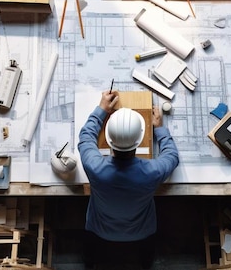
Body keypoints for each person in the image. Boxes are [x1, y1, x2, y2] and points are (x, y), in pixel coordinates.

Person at [77, 90, 180, 269]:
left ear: (110, 140)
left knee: (89, 246)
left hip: (99, 230)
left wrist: (101, 109)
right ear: (139, 141)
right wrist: (160, 129)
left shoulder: (95, 167)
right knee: (148, 249)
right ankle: (146, 263)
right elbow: (172, 156)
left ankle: (89, 262)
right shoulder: (152, 172)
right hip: (142, 232)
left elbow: (86, 138)